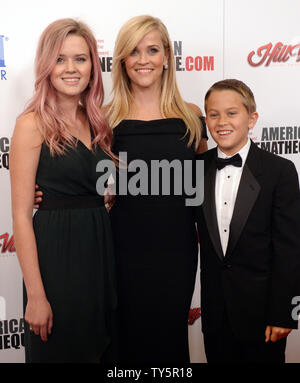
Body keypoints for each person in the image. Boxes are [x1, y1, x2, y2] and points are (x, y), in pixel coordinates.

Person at [10, 18, 117, 363]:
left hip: (99, 255)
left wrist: (103, 199)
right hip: (56, 260)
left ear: (92, 67)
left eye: (80, 59)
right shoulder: (31, 125)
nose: (71, 68)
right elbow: (21, 217)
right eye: (60, 59)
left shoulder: (98, 121)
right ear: (46, 66)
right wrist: (36, 296)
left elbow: (93, 186)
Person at [105, 15, 208, 363]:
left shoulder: (192, 117)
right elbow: (87, 182)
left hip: (175, 254)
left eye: (152, 50)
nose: (143, 59)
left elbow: (208, 183)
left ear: (167, 57)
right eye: (134, 51)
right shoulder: (105, 119)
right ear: (122, 59)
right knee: (125, 342)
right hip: (121, 252)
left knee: (169, 342)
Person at [196, 78, 300, 363]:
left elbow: (290, 250)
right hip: (216, 316)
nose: (222, 122)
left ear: (252, 118)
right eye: (214, 114)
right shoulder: (194, 170)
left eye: (232, 113)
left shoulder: (280, 171)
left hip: (264, 316)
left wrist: (286, 313)